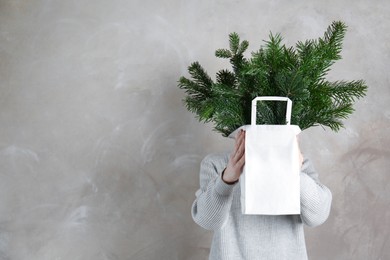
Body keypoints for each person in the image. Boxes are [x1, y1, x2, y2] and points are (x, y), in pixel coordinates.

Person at [191, 129, 332, 259]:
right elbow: (208, 221)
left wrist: (295, 172)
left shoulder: (300, 163)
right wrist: (226, 180)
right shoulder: (216, 163)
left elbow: (317, 216)